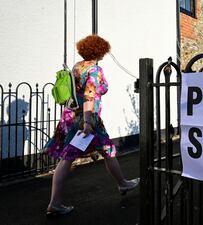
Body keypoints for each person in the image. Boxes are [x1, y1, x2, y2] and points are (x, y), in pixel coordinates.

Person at [44, 35, 139, 216]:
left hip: (71, 116)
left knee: (106, 150)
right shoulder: (95, 70)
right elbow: (89, 96)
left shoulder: (77, 67)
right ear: (99, 50)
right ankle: (54, 203)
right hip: (88, 119)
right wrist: (87, 122)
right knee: (71, 158)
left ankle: (122, 183)